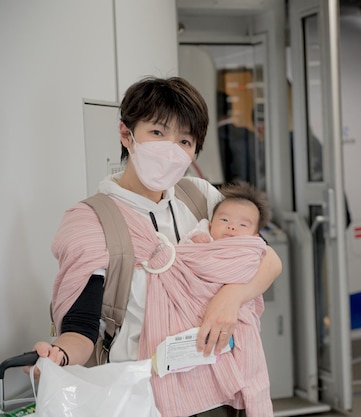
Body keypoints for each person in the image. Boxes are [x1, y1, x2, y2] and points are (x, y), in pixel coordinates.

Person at [31, 76, 282, 417]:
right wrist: (57, 355)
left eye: (185, 141)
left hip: (221, 386)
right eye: (158, 133)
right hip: (146, 397)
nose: (171, 149)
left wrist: (230, 298)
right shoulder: (92, 220)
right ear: (126, 134)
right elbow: (82, 325)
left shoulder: (201, 198)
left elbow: (266, 259)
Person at [183, 181, 270, 244]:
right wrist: (195, 240)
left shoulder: (253, 249)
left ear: (255, 237)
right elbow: (183, 252)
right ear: (210, 226)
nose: (231, 227)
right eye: (224, 220)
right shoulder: (206, 238)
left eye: (243, 225)